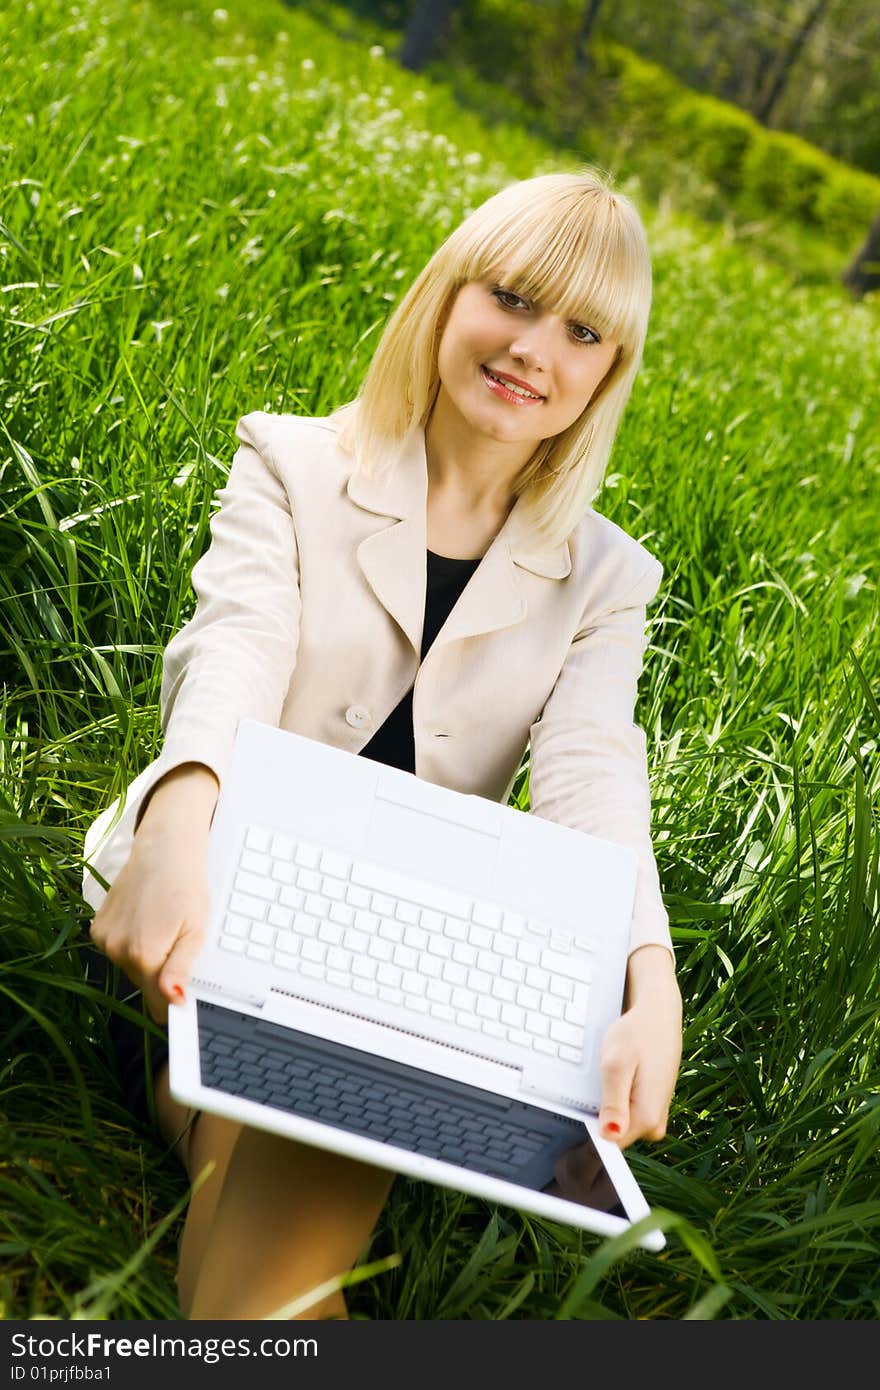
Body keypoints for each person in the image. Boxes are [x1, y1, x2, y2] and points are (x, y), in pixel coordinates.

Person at [82, 167, 683, 1320]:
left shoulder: (609, 579)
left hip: (396, 959)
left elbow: (591, 777)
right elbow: (237, 649)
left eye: (583, 329)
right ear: (447, 294)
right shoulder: (293, 463)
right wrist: (179, 812)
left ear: (609, 369)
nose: (533, 349)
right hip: (212, 918)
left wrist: (644, 978)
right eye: (510, 296)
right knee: (315, 1135)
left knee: (309, 1153)